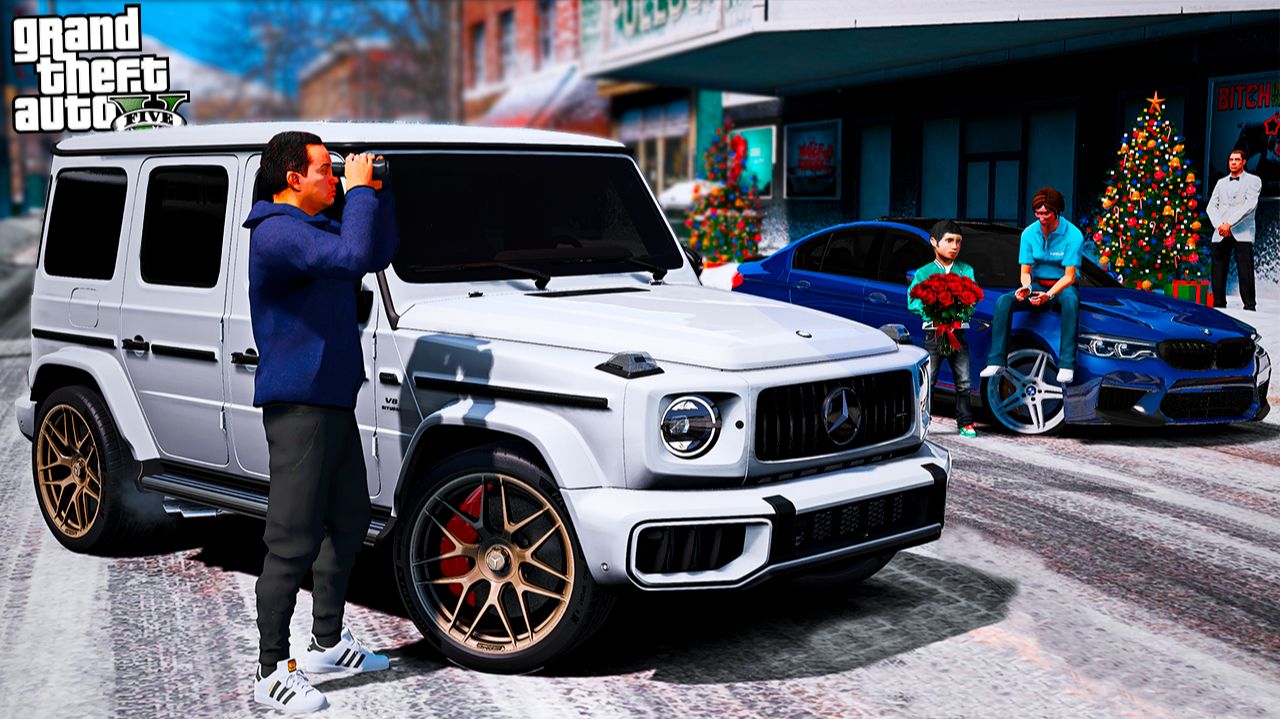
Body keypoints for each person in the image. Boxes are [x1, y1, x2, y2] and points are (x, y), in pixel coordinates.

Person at [243, 131, 400, 714]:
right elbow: (353, 256)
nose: (334, 178)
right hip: (299, 407)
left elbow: (375, 252)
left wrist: (378, 190)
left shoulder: (316, 229)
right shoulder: (277, 233)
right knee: (292, 540)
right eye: (324, 170)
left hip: (333, 401)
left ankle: (327, 644)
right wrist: (357, 193)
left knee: (349, 521)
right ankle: (270, 670)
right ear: (292, 178)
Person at [981, 187, 1082, 385]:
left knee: (1071, 302)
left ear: (1056, 211)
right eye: (1038, 213)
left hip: (1063, 286)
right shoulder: (1029, 233)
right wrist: (1027, 288)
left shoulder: (1073, 235)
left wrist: (1049, 295)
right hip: (1038, 284)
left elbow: (1069, 277)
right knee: (1003, 301)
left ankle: (1066, 364)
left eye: (1046, 213)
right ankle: (996, 361)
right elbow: (1025, 272)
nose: (1041, 217)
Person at [908, 220, 978, 438]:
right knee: (929, 380)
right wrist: (932, 311)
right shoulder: (924, 272)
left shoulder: (965, 270)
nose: (954, 246)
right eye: (948, 240)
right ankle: (922, 420)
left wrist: (960, 312)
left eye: (958, 241)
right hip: (934, 334)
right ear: (934, 242)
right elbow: (913, 301)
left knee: (964, 380)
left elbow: (973, 298)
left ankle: (965, 422)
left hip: (958, 333)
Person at [1207, 148, 1262, 311]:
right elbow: (1211, 206)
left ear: (1243, 162)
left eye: (1237, 160)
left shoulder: (1254, 180)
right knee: (1218, 269)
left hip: (1241, 231)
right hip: (1221, 231)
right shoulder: (1221, 183)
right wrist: (1220, 225)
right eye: (1231, 160)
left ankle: (1249, 306)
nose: (1233, 163)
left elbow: (1250, 205)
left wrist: (1229, 224)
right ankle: (1219, 305)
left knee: (1245, 270)